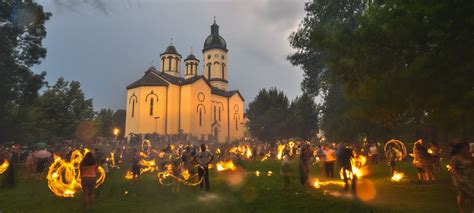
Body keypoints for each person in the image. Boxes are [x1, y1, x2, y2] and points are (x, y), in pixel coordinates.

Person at [449, 142, 473, 213]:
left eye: (467, 147)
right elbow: (453, 169)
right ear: (459, 149)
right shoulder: (455, 158)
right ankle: (462, 211)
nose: (466, 148)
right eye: (464, 147)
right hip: (460, 178)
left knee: (471, 194)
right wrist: (458, 178)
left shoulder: (469, 156)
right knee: (462, 194)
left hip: (470, 177)